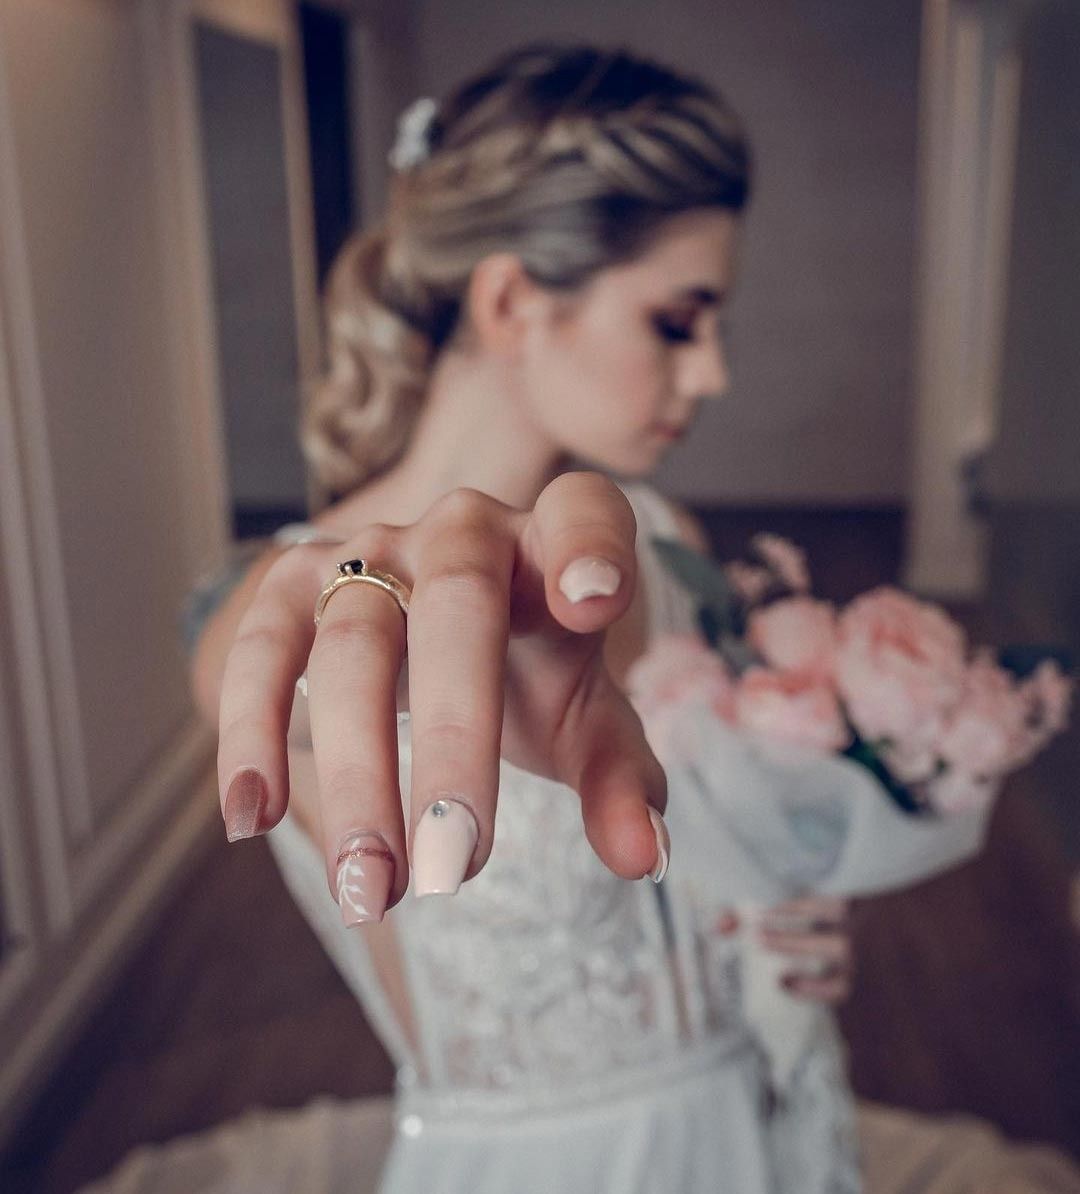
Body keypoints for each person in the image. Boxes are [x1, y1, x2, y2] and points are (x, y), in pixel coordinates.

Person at [188, 42, 860, 1194]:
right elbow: (282, 680)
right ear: (509, 300)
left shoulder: (662, 536)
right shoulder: (288, 613)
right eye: (677, 320)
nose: (712, 378)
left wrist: (778, 922)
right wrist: (358, 611)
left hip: (764, 1118)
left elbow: (700, 843)